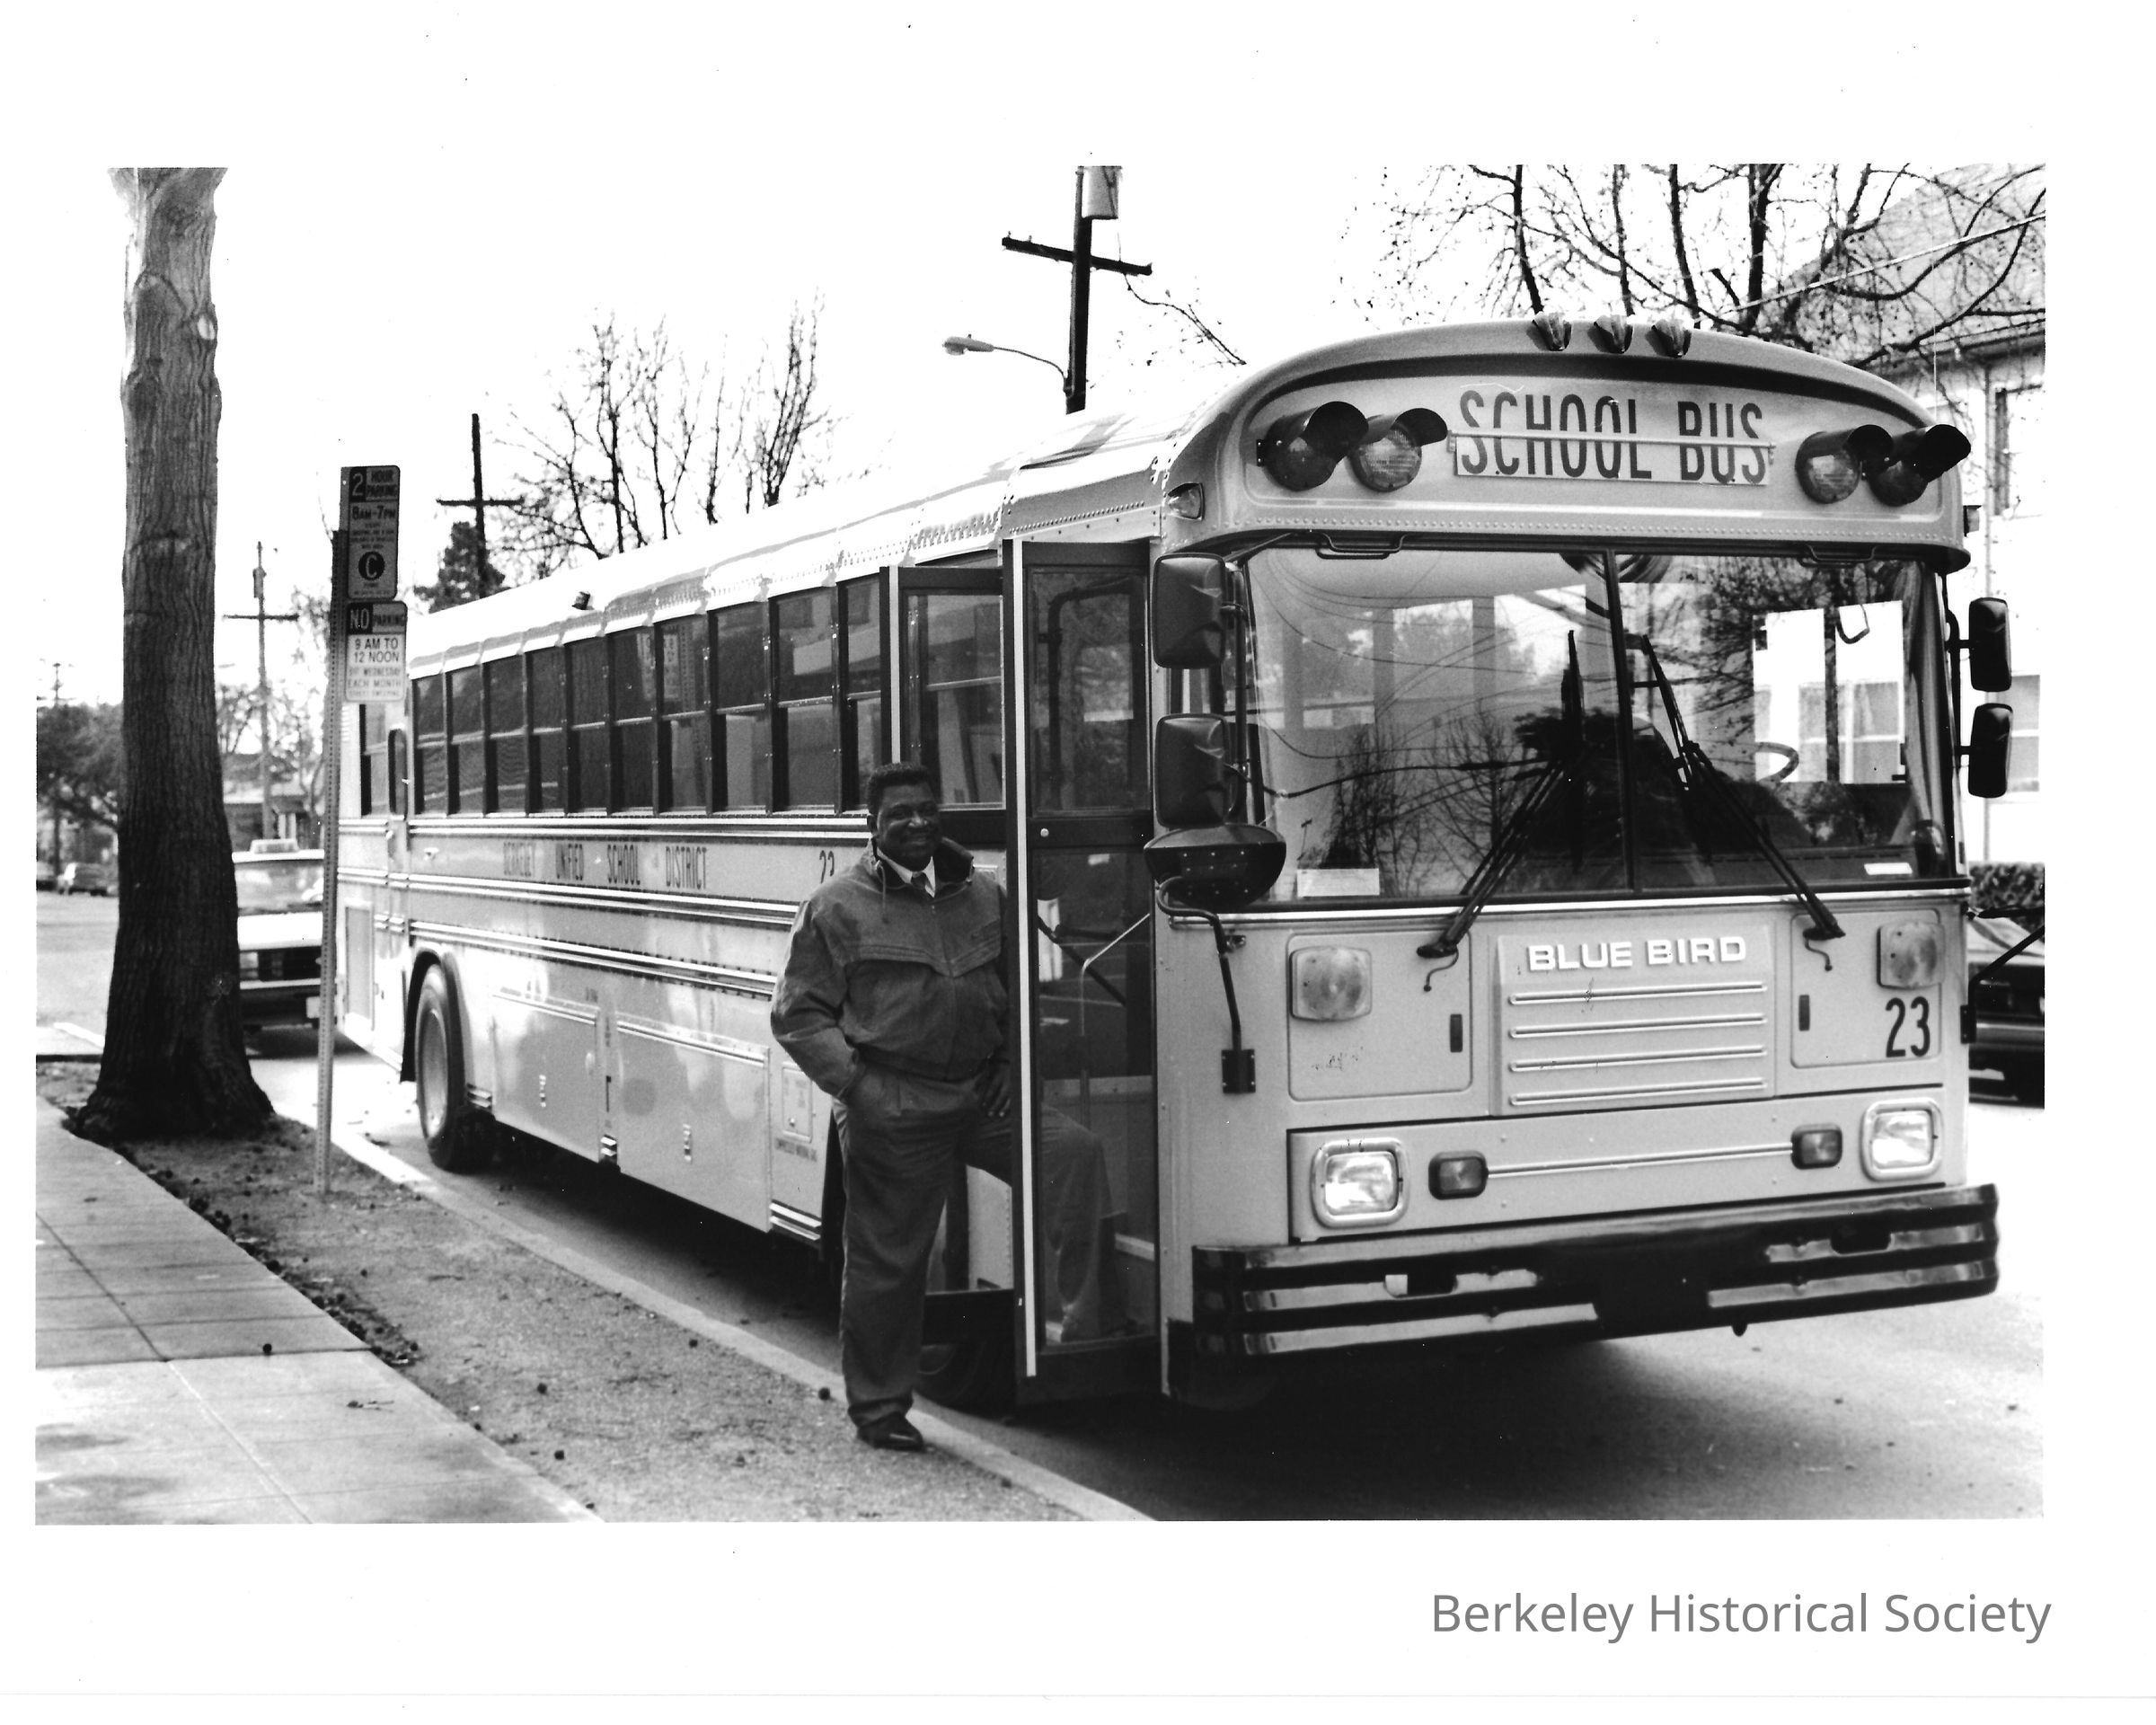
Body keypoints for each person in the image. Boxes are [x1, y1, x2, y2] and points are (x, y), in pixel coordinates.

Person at [771, 761, 1118, 1453]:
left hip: (980, 1094)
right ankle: (879, 1410)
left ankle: (1088, 1342)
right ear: (872, 825)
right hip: (894, 1101)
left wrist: (1009, 1063)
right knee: (889, 1262)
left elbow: (1020, 987)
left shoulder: (983, 893)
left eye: (927, 809)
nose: (917, 823)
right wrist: (860, 1088)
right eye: (899, 813)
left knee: (1074, 1156)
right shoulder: (835, 906)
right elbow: (798, 1016)